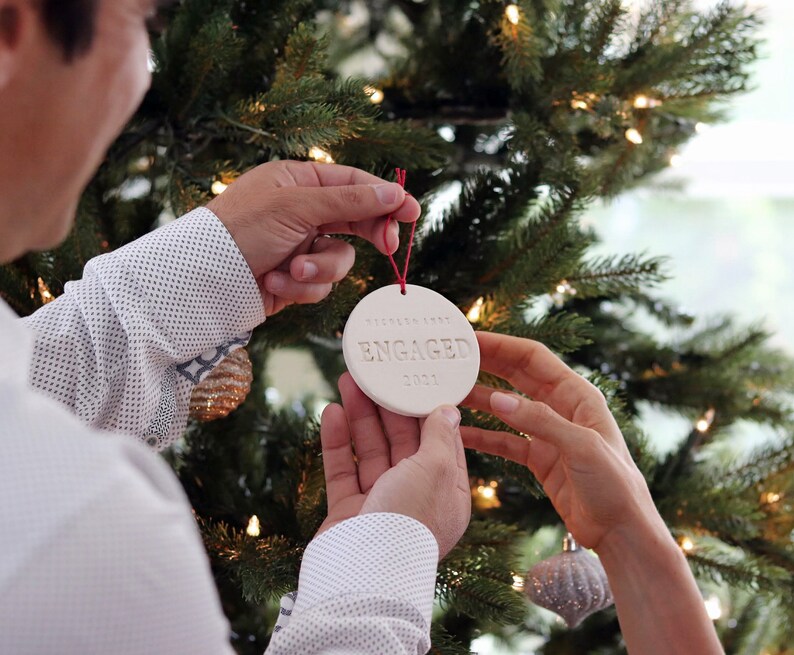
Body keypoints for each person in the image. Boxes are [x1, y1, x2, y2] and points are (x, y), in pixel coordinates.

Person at [0, 1, 723, 653]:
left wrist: (633, 541)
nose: (144, 69)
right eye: (147, 24)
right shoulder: (79, 535)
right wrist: (381, 556)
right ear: (12, 30)